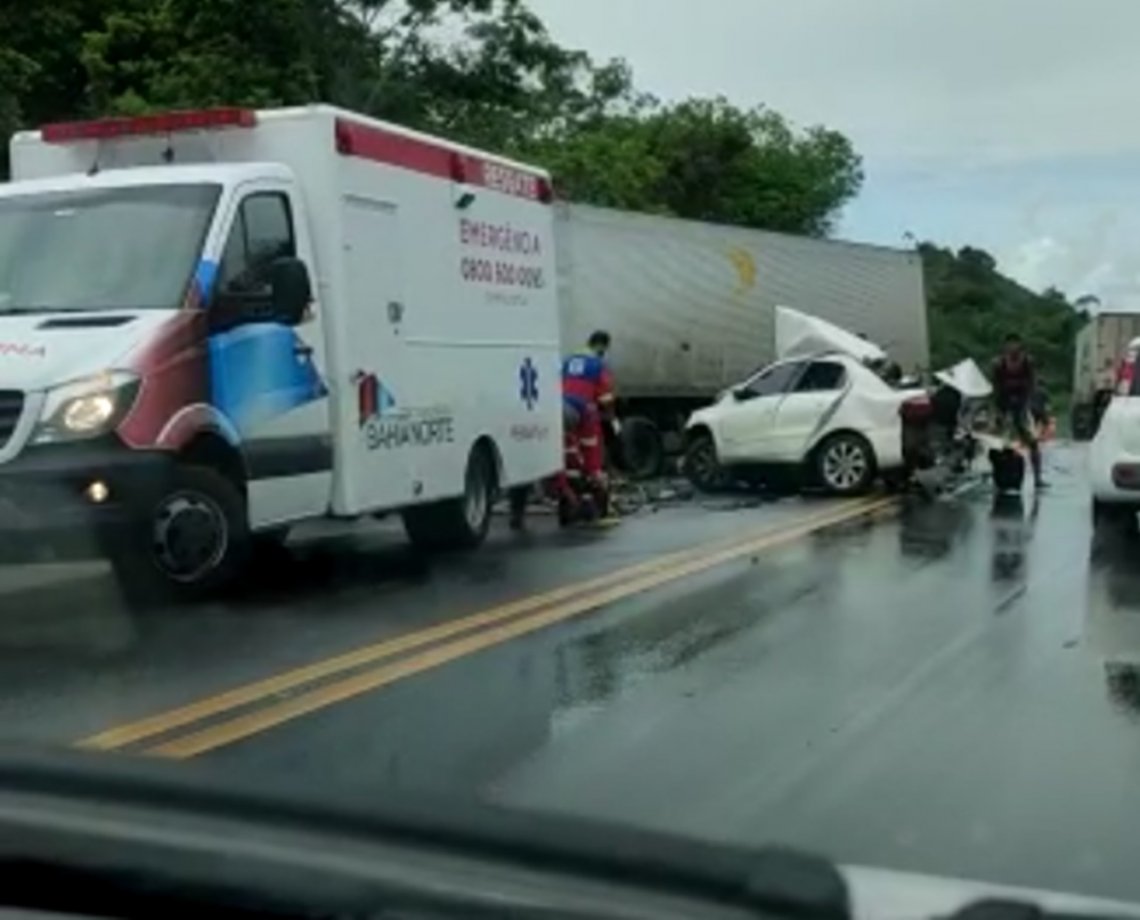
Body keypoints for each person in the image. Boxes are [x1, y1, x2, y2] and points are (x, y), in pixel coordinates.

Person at [560, 330, 616, 518]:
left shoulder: (567, 361)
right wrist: (610, 418)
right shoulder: (597, 364)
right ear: (603, 346)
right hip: (583, 410)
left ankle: (569, 502)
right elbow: (606, 398)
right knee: (592, 459)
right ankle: (597, 507)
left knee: (569, 457)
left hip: (560, 409)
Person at [992, 333, 1045, 489]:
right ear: (1005, 347)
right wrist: (999, 412)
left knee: (1032, 442)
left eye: (1016, 345)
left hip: (1022, 404)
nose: (1013, 348)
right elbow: (996, 388)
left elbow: (1031, 385)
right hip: (1004, 404)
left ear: (1020, 347)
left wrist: (1027, 407)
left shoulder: (1028, 362)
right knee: (1000, 445)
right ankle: (1000, 476)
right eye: (1010, 345)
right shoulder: (998, 364)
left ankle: (1038, 478)